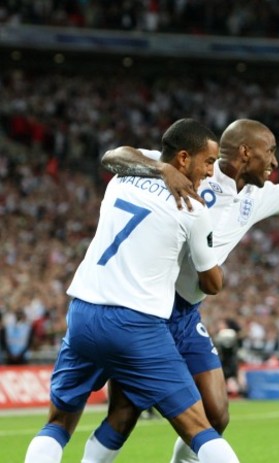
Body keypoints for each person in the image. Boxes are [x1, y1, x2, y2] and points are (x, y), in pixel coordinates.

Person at [82, 114, 279, 463]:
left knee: (217, 414)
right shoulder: (194, 170)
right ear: (245, 153)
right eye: (269, 151)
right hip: (147, 307)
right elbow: (116, 156)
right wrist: (162, 170)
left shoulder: (255, 197)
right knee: (124, 415)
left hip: (185, 314)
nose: (275, 162)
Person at [24, 118, 240, 463]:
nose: (211, 172)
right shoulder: (194, 208)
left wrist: (159, 170)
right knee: (200, 426)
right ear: (183, 159)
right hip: (136, 324)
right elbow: (211, 282)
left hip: (83, 313)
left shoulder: (124, 176)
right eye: (209, 162)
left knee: (59, 423)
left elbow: (116, 154)